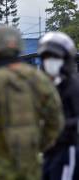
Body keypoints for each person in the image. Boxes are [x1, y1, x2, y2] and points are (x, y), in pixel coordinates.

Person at [0, 26, 64, 180]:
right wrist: (37, 145)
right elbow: (56, 122)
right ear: (19, 48)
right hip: (32, 168)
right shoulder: (39, 79)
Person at [38, 32, 79, 179]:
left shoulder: (73, 87)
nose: (50, 62)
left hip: (68, 151)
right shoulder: (51, 87)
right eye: (46, 58)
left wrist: (56, 126)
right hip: (50, 151)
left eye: (54, 57)